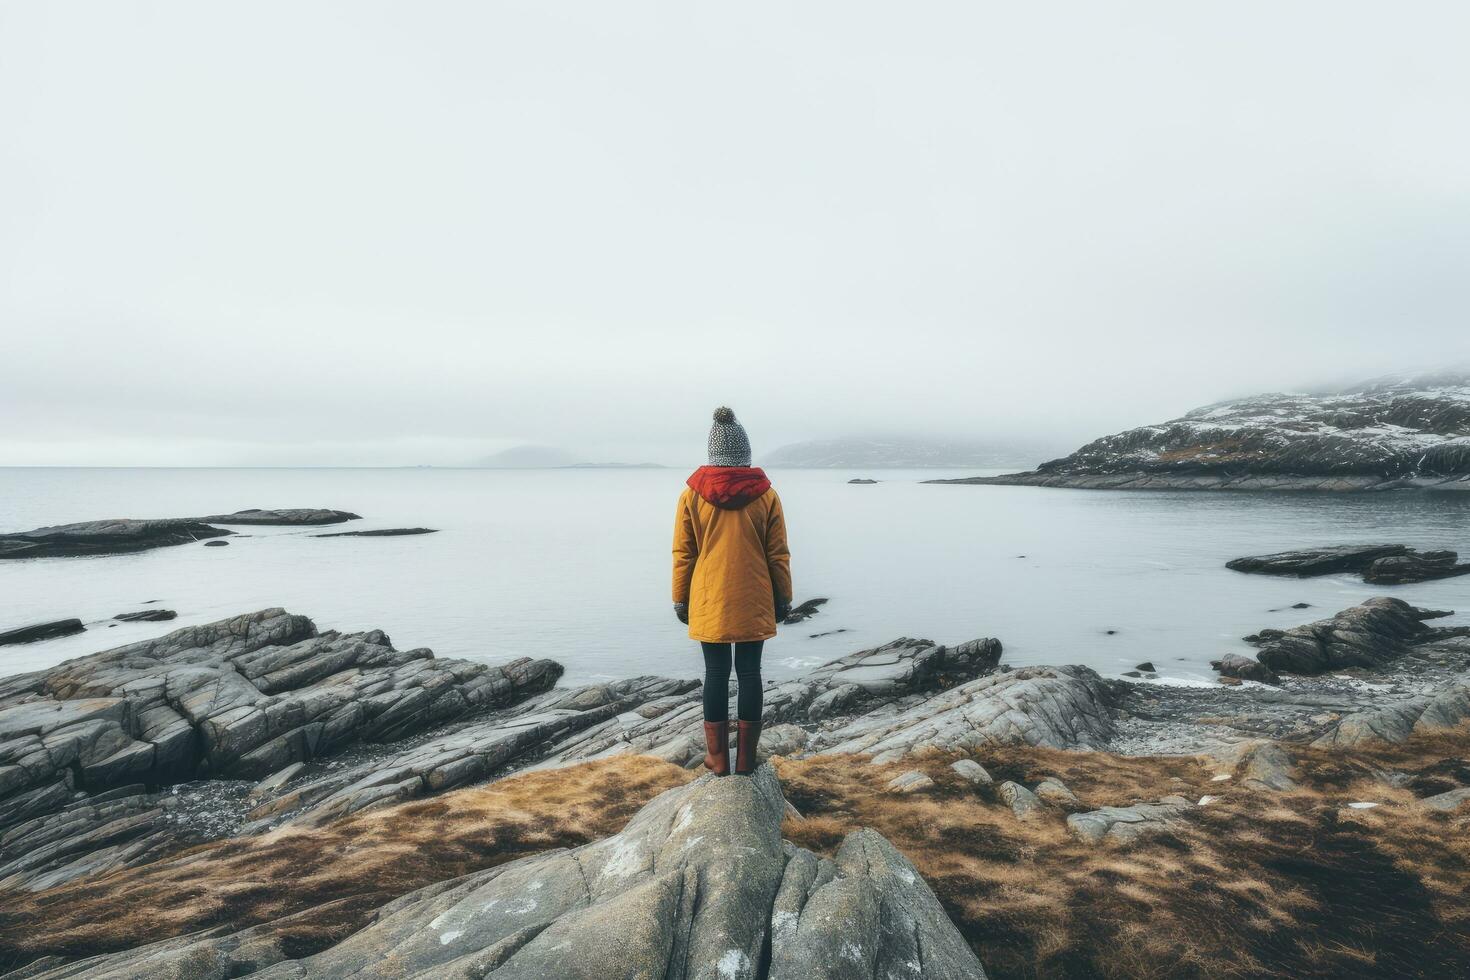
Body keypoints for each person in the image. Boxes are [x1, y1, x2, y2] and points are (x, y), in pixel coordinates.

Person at [672, 407, 791, 776]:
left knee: (716, 673)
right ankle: (745, 761)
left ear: (712, 454)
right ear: (746, 454)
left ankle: (718, 760)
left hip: (709, 598)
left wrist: (680, 597)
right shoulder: (767, 496)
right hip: (754, 597)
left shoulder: (691, 496)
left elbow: (684, 552)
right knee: (750, 673)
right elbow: (778, 553)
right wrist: (783, 598)